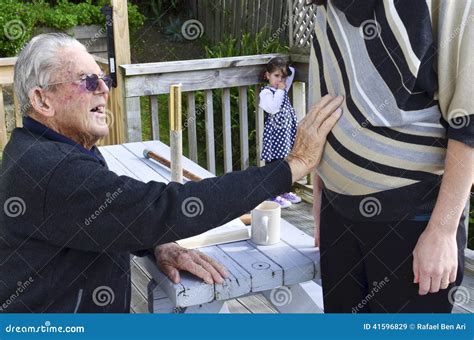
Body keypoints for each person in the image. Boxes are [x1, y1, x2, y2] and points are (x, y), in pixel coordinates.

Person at [0, 33, 343, 312]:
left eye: (103, 79)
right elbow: (160, 207)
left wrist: (154, 241)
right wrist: (292, 165)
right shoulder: (52, 168)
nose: (105, 88)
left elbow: (122, 216)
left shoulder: (48, 150)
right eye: (88, 81)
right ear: (43, 101)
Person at [308, 0, 473, 313]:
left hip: (413, 219)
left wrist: (443, 230)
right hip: (336, 213)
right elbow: (331, 90)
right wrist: (320, 189)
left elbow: (469, 120)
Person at [259, 57, 302, 208]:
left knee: (286, 164)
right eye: (276, 76)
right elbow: (272, 108)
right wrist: (280, 90)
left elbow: (292, 73)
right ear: (267, 75)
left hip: (286, 135)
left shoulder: (281, 89)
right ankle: (272, 194)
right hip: (274, 137)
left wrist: (285, 67)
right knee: (274, 167)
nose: (280, 80)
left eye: (282, 76)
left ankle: (284, 191)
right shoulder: (266, 93)